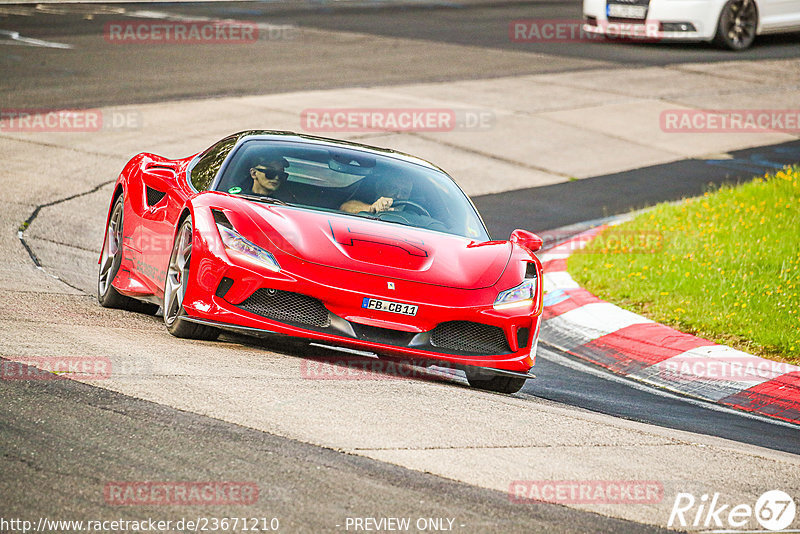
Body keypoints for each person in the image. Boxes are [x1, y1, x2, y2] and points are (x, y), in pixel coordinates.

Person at [339, 173, 413, 214]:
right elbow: (345, 207)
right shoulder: (367, 206)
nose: (398, 196)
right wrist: (371, 209)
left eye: (405, 192)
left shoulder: (414, 217)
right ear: (378, 187)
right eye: (393, 188)